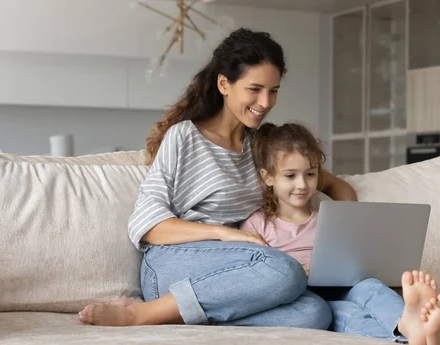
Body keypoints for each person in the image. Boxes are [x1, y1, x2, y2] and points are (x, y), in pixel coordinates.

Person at [78, 28, 357, 328]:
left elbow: (335, 186)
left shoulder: (264, 147)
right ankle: (142, 313)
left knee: (315, 313)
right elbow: (147, 224)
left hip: (238, 274)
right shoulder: (184, 137)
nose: (265, 102)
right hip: (172, 265)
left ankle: (196, 311)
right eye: (255, 89)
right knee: (285, 270)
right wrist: (226, 233)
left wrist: (336, 243)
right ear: (224, 84)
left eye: (273, 90)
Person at [239, 122, 440, 345]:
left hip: (343, 287)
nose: (302, 184)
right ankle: (415, 341)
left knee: (371, 287)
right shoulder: (257, 224)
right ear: (268, 177)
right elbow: (251, 277)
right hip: (307, 299)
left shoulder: (329, 218)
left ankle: (409, 322)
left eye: (310, 174)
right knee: (347, 315)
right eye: (290, 176)